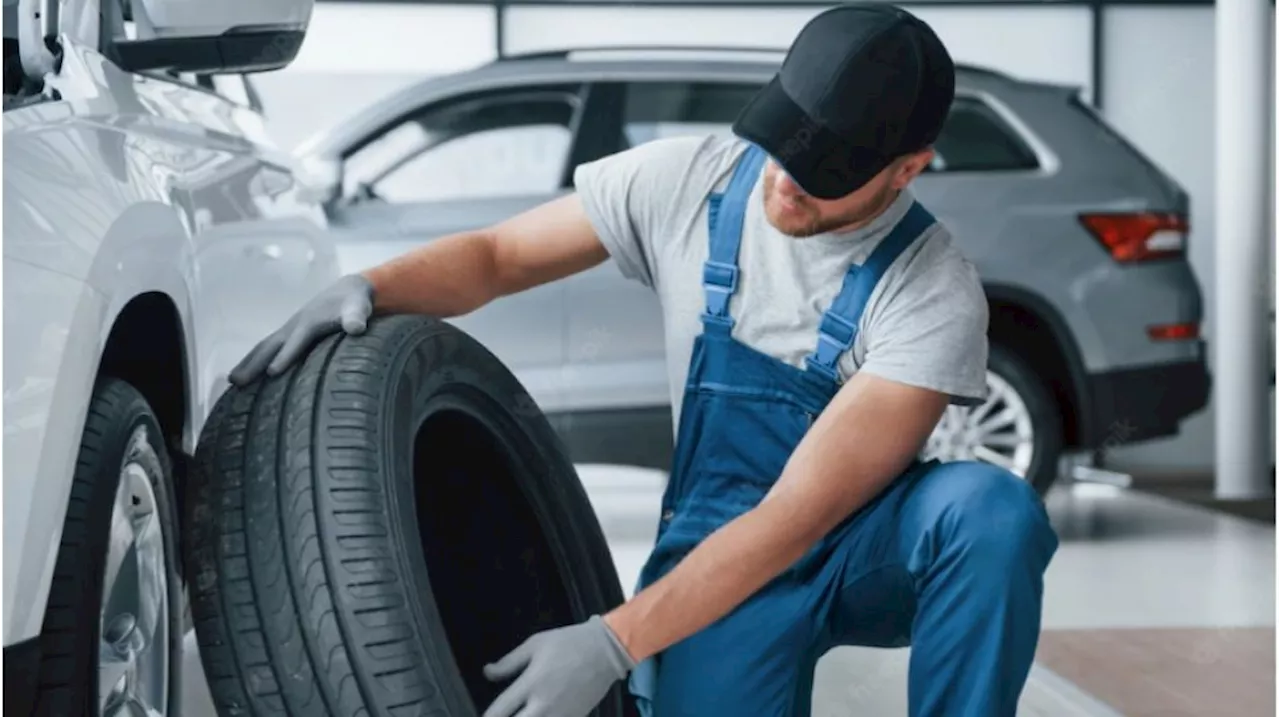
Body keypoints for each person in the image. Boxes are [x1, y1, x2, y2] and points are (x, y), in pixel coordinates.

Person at [230, 3, 1060, 715]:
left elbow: (798, 517)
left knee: (991, 512)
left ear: (907, 170)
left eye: (825, 174)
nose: (785, 184)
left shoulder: (932, 289)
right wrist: (372, 284)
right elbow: (496, 255)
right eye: (783, 146)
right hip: (715, 540)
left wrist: (612, 640)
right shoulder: (687, 182)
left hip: (859, 544)